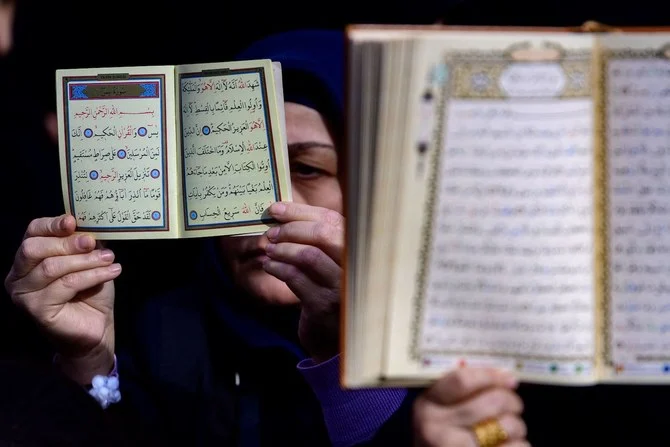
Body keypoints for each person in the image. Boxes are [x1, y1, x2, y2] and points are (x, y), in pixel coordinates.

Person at [4, 29, 527, 447]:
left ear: (375, 185)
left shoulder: (457, 350)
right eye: (239, 169)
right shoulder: (167, 335)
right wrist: (89, 362)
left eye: (307, 168)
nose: (267, 210)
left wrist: (345, 359)